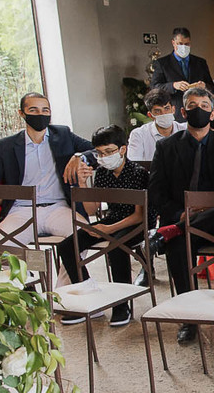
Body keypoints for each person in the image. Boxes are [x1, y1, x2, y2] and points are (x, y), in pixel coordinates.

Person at [148, 88, 214, 344]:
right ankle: (190, 318)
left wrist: (206, 208)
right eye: (193, 105)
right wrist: (181, 213)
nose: (199, 109)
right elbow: (156, 192)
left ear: (212, 112)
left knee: (191, 226)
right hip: (182, 218)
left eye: (205, 105)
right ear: (183, 112)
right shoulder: (165, 147)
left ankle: (168, 231)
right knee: (176, 244)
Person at [56, 125, 152, 327]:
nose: (104, 157)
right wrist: (83, 184)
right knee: (67, 246)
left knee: (116, 245)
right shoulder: (102, 173)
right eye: (100, 153)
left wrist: (109, 230)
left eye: (109, 152)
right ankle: (88, 296)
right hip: (112, 219)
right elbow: (92, 211)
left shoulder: (138, 173)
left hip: (137, 223)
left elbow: (138, 216)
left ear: (122, 149)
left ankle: (121, 306)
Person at [0, 93, 93, 249]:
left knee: (83, 236)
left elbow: (98, 151)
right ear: (21, 113)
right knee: (4, 248)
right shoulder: (7, 146)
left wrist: (80, 156)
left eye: (45, 110)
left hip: (59, 208)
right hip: (21, 210)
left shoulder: (63, 134)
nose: (40, 114)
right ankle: (24, 275)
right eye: (33, 110)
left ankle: (71, 275)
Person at [149, 27, 214, 120]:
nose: (183, 47)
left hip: (199, 112)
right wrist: (173, 85)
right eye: (180, 44)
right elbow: (154, 87)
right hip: (176, 113)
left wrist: (204, 87)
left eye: (186, 44)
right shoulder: (162, 63)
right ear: (173, 43)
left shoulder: (200, 62)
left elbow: (212, 88)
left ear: (190, 43)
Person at [127, 88, 186, 162]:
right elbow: (134, 164)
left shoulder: (185, 130)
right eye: (158, 111)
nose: (164, 113)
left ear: (173, 109)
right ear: (150, 115)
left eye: (167, 108)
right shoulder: (139, 135)